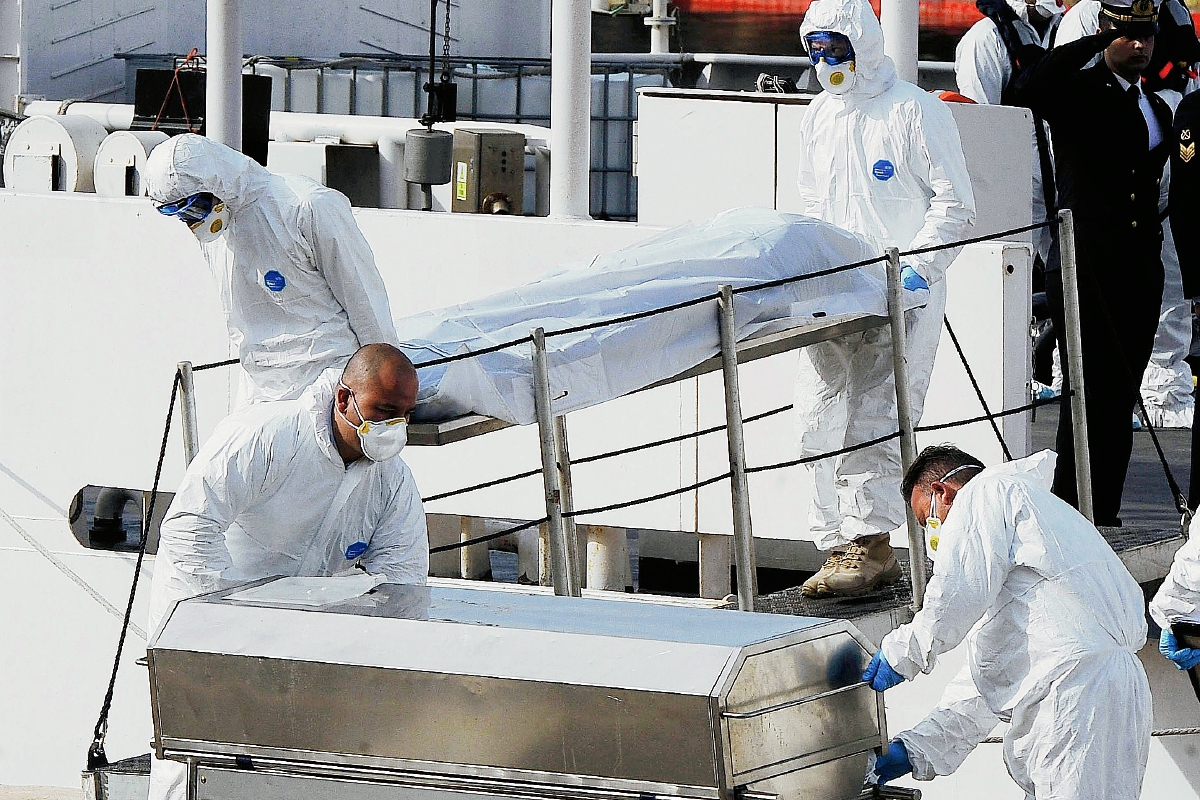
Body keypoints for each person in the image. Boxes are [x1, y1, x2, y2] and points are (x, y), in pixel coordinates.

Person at [146, 342, 429, 800]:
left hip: (299, 647)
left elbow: (403, 582)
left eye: (406, 415)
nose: (395, 428)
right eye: (384, 411)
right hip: (211, 627)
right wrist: (218, 636)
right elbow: (189, 529)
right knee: (196, 771)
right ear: (344, 400)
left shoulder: (393, 481)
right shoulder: (267, 436)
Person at [793, 0, 977, 597]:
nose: (826, 63)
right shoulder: (820, 116)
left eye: (836, 49)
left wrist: (917, 272)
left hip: (904, 296)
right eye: (816, 52)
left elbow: (954, 205)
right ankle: (834, 543)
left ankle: (871, 543)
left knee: (878, 416)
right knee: (815, 419)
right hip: (835, 296)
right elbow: (812, 208)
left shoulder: (916, 112)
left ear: (863, 44)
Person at [862, 445, 1151, 799]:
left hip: (1072, 697)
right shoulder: (1037, 571)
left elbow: (953, 593)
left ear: (941, 491)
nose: (933, 534)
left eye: (928, 520)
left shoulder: (986, 492)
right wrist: (915, 750)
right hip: (1101, 692)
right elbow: (987, 686)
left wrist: (901, 652)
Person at [1015, 0, 1173, 525]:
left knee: (1120, 394)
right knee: (1085, 394)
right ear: (1107, 35)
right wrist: (1091, 41)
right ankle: (1071, 507)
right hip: (1088, 266)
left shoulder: (1158, 106)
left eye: (1147, 36)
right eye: (1128, 36)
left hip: (1138, 269)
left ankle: (1104, 509)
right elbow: (1028, 89)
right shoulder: (1078, 93)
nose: (1140, 46)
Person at [145, 134, 400, 404]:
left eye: (196, 208)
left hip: (329, 384)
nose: (192, 222)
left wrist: (389, 387)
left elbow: (365, 301)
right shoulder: (217, 236)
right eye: (182, 215)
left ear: (217, 181)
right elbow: (241, 323)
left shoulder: (306, 206)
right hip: (260, 391)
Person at [1056, 0, 1200, 430]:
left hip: (1168, 151)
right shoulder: (1085, 17)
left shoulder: (1174, 15)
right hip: (1105, 181)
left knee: (1170, 276)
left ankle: (1163, 387)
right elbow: (1060, 101)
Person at [955, 0, 1063, 263]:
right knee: (1010, 277)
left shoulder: (1067, 31)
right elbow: (980, 126)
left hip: (1065, 184)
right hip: (1015, 191)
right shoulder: (985, 40)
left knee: (1070, 280)